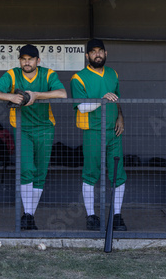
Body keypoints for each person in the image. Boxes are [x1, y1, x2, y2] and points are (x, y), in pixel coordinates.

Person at [0, 44, 67, 230]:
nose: (26, 62)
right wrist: (10, 97)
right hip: (21, 127)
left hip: (45, 128)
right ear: (20, 60)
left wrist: (36, 95)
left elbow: (62, 93)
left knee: (40, 171)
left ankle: (29, 214)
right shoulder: (13, 74)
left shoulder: (47, 74)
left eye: (30, 59)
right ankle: (28, 214)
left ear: (38, 61)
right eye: (23, 59)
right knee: (26, 169)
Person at [70, 39, 127, 231]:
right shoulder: (78, 78)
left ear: (106, 53)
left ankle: (117, 215)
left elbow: (117, 98)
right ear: (87, 56)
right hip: (92, 130)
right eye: (93, 52)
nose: (97, 54)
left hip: (113, 131)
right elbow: (82, 107)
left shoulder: (113, 74)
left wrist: (120, 116)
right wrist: (101, 100)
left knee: (118, 174)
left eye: (100, 51)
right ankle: (91, 216)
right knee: (91, 173)